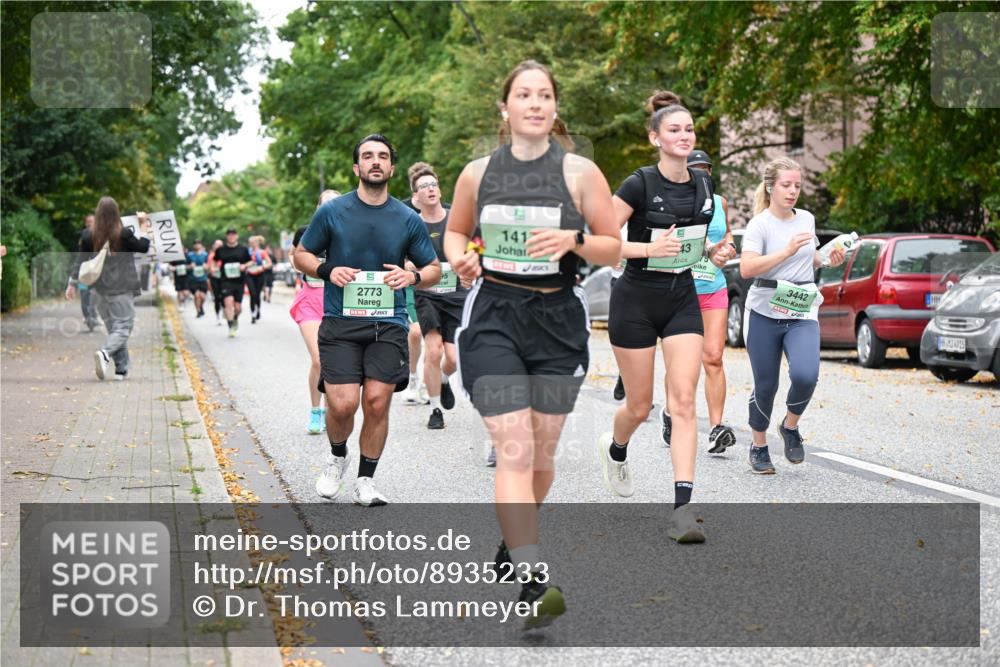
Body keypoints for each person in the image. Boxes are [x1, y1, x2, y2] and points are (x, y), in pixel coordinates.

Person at [444, 61, 620, 628]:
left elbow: (612, 248)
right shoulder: (477, 173)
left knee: (542, 456)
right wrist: (459, 258)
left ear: (554, 108)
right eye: (524, 94)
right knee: (515, 447)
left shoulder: (580, 173)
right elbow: (453, 230)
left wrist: (573, 239)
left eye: (545, 95)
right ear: (506, 108)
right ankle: (532, 576)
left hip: (558, 320)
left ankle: (513, 542)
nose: (535, 103)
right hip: (494, 314)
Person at [597, 91, 734, 544]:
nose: (684, 136)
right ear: (655, 137)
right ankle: (616, 449)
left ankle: (683, 510)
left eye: (689, 129)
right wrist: (647, 249)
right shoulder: (638, 184)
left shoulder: (704, 187)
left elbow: (696, 248)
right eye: (674, 129)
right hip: (634, 300)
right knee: (639, 406)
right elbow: (599, 241)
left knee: (682, 403)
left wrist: (715, 252)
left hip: (681, 299)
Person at [296, 133, 440, 507]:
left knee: (377, 403)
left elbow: (434, 268)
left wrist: (413, 277)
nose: (376, 161)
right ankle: (337, 456)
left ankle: (366, 479)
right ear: (357, 167)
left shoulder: (408, 219)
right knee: (342, 405)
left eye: (383, 156)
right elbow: (301, 255)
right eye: (368, 156)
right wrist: (327, 269)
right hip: (340, 322)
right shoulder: (332, 212)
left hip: (388, 323)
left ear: (392, 167)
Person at [739, 156, 845, 473]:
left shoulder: (807, 219)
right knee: (766, 385)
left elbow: (808, 260)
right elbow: (746, 268)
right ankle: (759, 446)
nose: (792, 191)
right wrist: (784, 251)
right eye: (786, 185)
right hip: (763, 311)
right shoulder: (759, 225)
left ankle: (790, 425)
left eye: (797, 186)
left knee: (805, 375)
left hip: (801, 309)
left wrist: (827, 259)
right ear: (771, 187)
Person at [670, 149, 738, 454]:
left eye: (705, 169)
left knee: (713, 357)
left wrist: (729, 250)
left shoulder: (721, 203)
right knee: (681, 363)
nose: (701, 174)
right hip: (680, 288)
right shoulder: (673, 199)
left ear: (710, 173)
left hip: (714, 286)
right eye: (694, 168)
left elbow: (729, 238)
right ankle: (671, 412)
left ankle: (716, 428)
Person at [66, 199, 153, 380]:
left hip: (97, 290)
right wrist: (144, 225)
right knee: (124, 328)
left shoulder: (88, 236)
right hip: (121, 289)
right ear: (116, 213)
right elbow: (144, 247)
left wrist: (71, 283)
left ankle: (121, 370)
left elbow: (80, 261)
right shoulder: (124, 234)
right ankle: (105, 353)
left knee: (115, 329)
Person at [409, 163, 465, 429]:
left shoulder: (456, 218)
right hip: (427, 293)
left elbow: (475, 244)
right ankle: (435, 410)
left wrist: (468, 260)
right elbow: (400, 253)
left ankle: (443, 379)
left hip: (456, 294)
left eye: (433, 184)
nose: (430, 189)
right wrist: (407, 264)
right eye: (423, 187)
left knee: (452, 358)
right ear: (415, 197)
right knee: (433, 351)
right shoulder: (411, 223)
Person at [289, 189, 341, 434]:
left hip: (339, 302)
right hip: (310, 300)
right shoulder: (306, 233)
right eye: (325, 204)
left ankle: (334, 411)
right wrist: (303, 264)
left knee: (334, 361)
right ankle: (315, 410)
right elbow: (293, 254)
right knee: (319, 359)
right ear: (318, 207)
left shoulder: (348, 233)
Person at [213, 228, 251, 337]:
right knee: (228, 302)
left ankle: (235, 318)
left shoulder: (243, 249)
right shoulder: (221, 250)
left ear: (237, 236)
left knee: (238, 308)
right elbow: (215, 261)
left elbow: (251, 261)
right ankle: (230, 327)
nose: (231, 236)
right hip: (225, 280)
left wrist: (245, 265)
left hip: (239, 281)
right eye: (229, 234)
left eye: (233, 234)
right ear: (226, 236)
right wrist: (213, 268)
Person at [74, 214, 101, 331]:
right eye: (88, 222)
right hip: (83, 272)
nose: (90, 224)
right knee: (84, 294)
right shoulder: (83, 237)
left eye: (92, 221)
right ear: (85, 223)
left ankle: (94, 316)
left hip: (96, 271)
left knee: (95, 295)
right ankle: (88, 317)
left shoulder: (102, 236)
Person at [246, 235, 272, 323]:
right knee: (252, 294)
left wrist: (263, 267)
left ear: (258, 243)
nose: (252, 244)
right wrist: (247, 265)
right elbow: (242, 262)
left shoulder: (262, 252)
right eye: (251, 243)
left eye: (254, 242)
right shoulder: (247, 252)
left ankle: (257, 309)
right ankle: (253, 313)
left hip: (260, 275)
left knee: (257, 295)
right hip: (249, 275)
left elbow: (269, 263)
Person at [186, 240, 210, 317]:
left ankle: (200, 306)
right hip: (193, 279)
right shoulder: (189, 255)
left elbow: (209, 266)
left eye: (198, 244)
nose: (197, 245)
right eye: (195, 244)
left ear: (201, 245)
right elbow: (185, 266)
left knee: (202, 296)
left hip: (203, 278)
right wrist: (190, 266)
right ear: (193, 246)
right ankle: (198, 311)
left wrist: (205, 267)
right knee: (196, 295)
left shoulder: (205, 255)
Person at [207, 239, 225, 324]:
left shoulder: (225, 254)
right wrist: (213, 269)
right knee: (217, 297)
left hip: (224, 278)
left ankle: (226, 311)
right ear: (214, 246)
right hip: (214, 278)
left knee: (225, 296)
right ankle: (218, 315)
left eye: (220, 245)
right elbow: (209, 267)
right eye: (217, 245)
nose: (219, 246)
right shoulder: (211, 256)